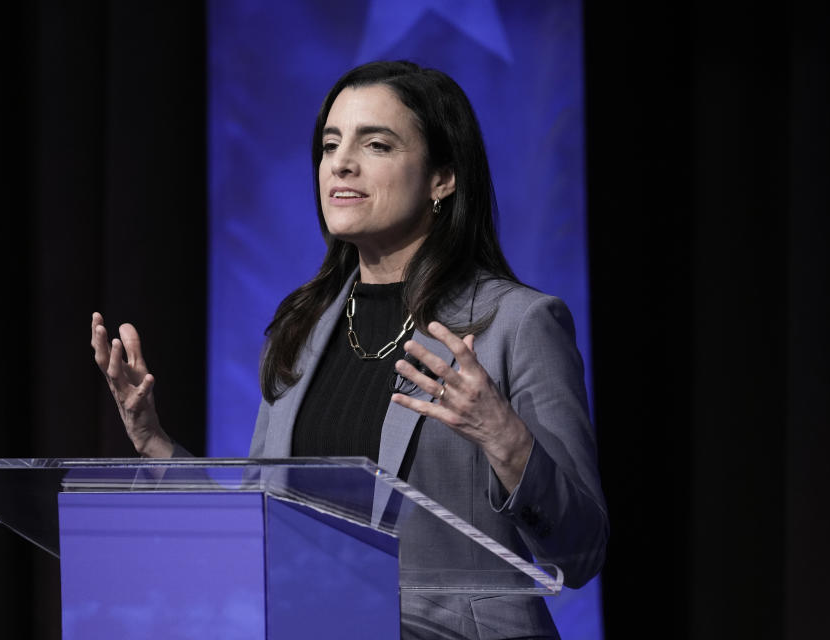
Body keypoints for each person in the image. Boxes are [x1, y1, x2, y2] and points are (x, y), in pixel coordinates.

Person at [92, 60, 607, 639]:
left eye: (377, 144)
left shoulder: (517, 324)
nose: (341, 162)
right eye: (330, 143)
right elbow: (256, 529)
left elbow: (581, 551)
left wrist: (504, 437)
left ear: (444, 178)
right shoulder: (300, 329)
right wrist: (153, 443)